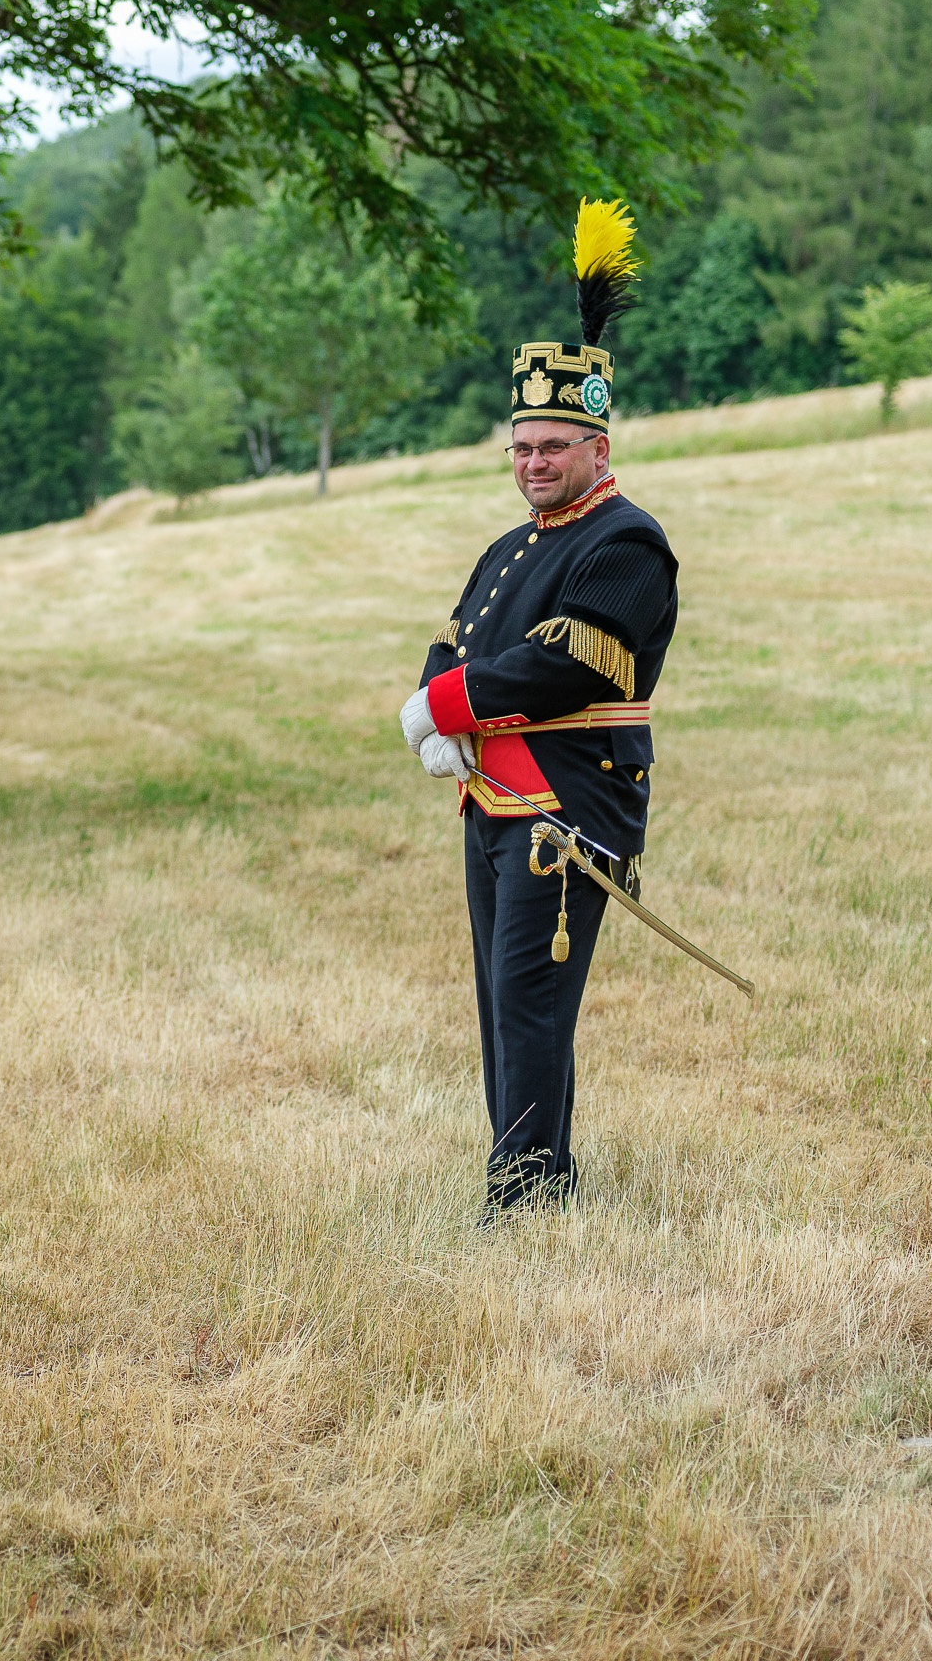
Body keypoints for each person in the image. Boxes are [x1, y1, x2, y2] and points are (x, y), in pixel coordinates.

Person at [396, 199, 679, 1213]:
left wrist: (443, 701)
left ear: (598, 447)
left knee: (529, 997)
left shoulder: (626, 543)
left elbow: (566, 662)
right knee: (500, 998)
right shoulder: (514, 542)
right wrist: (444, 705)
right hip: (494, 802)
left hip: (567, 805)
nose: (532, 464)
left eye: (552, 448)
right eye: (521, 448)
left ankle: (524, 1192)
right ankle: (532, 1173)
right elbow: (466, 635)